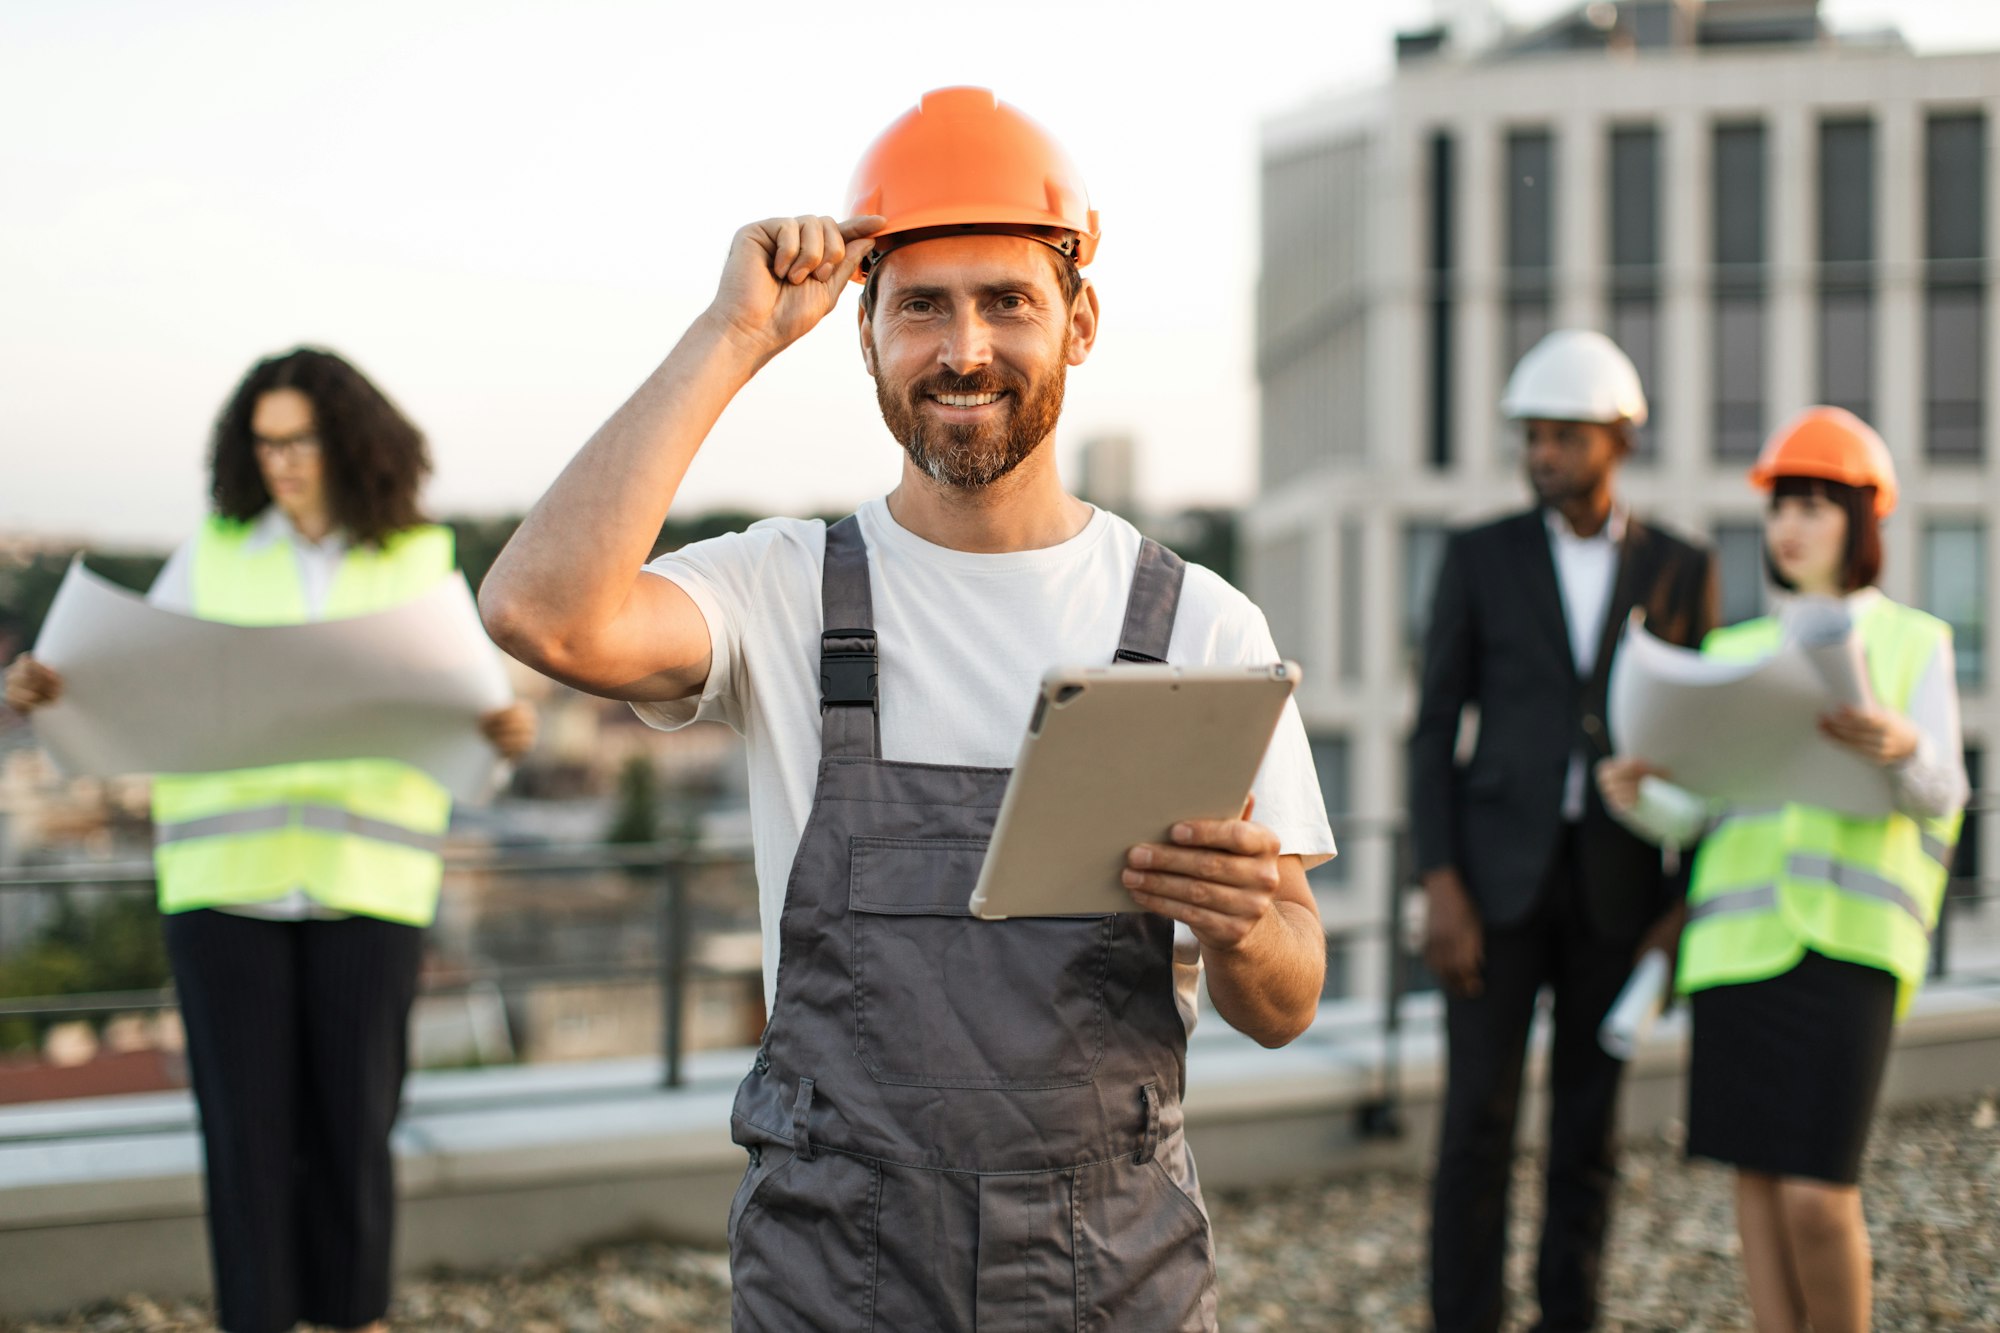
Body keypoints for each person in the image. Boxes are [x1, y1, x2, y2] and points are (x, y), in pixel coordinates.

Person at [477, 86, 1335, 1330]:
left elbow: (1289, 998)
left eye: (1007, 303)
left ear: (1078, 321)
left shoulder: (1199, 628)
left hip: (1113, 1275)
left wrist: (1247, 925)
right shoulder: (779, 591)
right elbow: (538, 613)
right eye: (921, 305)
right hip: (837, 1276)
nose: (965, 349)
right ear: (862, 330)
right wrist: (730, 334)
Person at [4, 347, 536, 1333]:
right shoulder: (212, 554)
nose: (282, 460)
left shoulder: (416, 559)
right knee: (245, 1136)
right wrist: (49, 691)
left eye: (300, 439)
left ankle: (354, 1317)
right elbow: (122, 680)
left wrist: (501, 732)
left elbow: (461, 723)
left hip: (368, 884)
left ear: (349, 441)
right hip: (222, 890)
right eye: (265, 442)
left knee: (353, 1129)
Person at [1597, 407, 1965, 1333]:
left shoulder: (1915, 644)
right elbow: (1709, 813)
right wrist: (1638, 794)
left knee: (1816, 1192)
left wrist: (1899, 742)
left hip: (1851, 946)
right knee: (1755, 1190)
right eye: (1779, 508)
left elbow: (1942, 793)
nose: (1789, 527)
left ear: (1860, 520)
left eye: (1813, 506)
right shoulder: (1730, 653)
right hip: (1734, 950)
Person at [1409, 329, 1717, 1332]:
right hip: (1491, 887)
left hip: (1616, 889)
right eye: (1530, 437)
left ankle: (1568, 1317)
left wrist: (1678, 905)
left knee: (1588, 1132)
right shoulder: (1475, 555)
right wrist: (1439, 883)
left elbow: (1699, 745)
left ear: (1617, 439)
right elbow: (1430, 729)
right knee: (1473, 1130)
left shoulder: (1679, 568)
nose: (1541, 453)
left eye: (1562, 437)